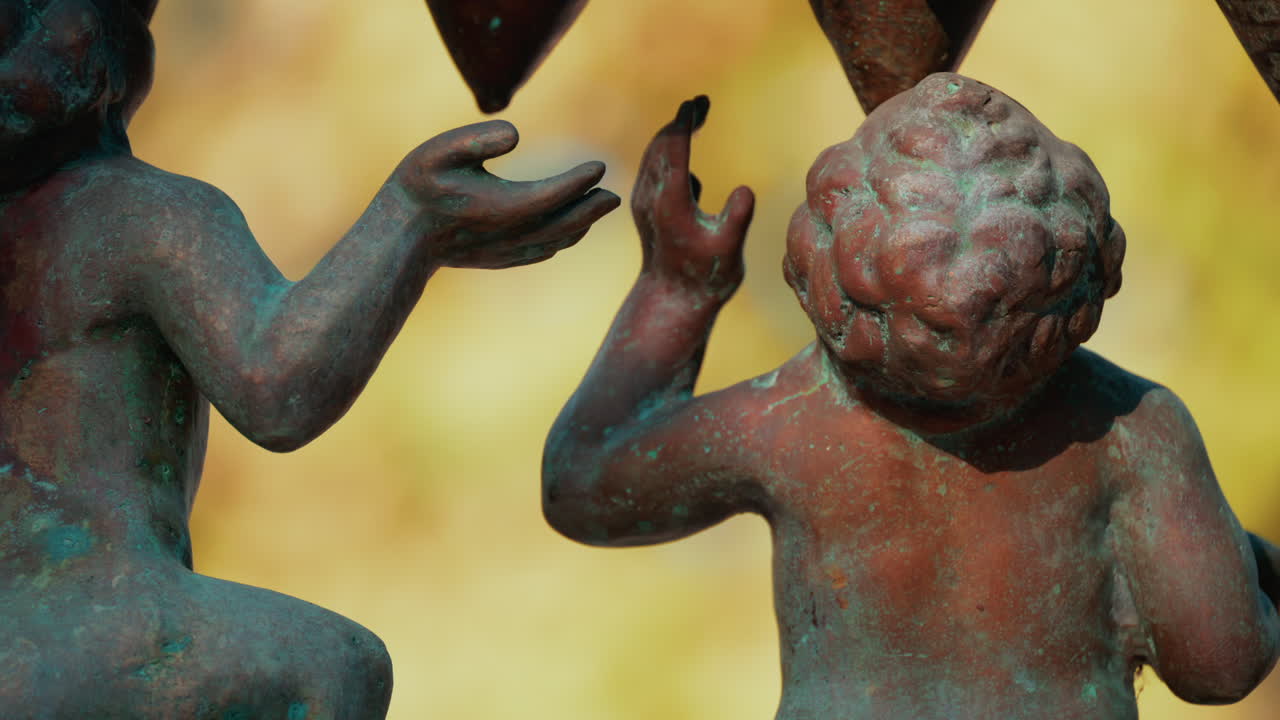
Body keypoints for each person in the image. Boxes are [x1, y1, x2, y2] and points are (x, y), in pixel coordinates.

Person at [543, 72, 1280, 719]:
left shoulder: (788, 421)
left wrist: (675, 292)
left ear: (824, 278)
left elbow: (585, 485)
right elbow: (1219, 663)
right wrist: (1242, 565)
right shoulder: (1132, 429)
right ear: (1078, 285)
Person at [0, 1, 618, 717]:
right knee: (332, 665)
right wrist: (414, 221)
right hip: (93, 604)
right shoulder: (135, 212)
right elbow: (276, 387)